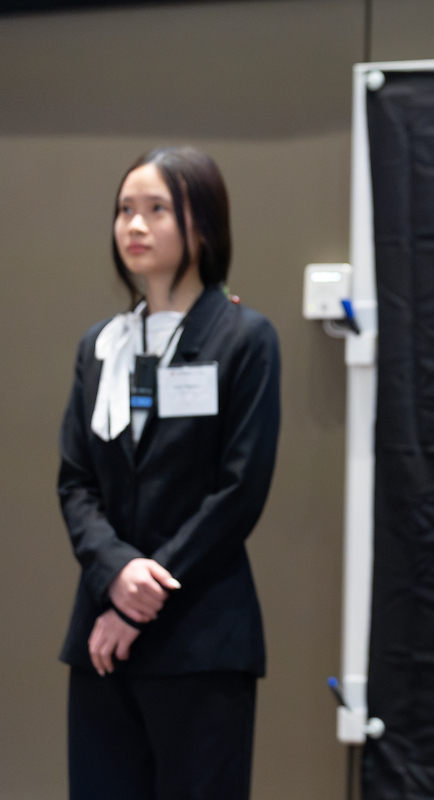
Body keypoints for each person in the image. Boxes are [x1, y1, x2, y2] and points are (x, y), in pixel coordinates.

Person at [58, 146, 281, 800]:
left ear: (202, 225)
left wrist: (144, 594)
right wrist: (116, 574)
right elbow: (75, 482)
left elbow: (239, 490)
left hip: (201, 638)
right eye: (125, 209)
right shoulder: (100, 346)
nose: (134, 224)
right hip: (101, 635)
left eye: (157, 209)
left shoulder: (244, 338)